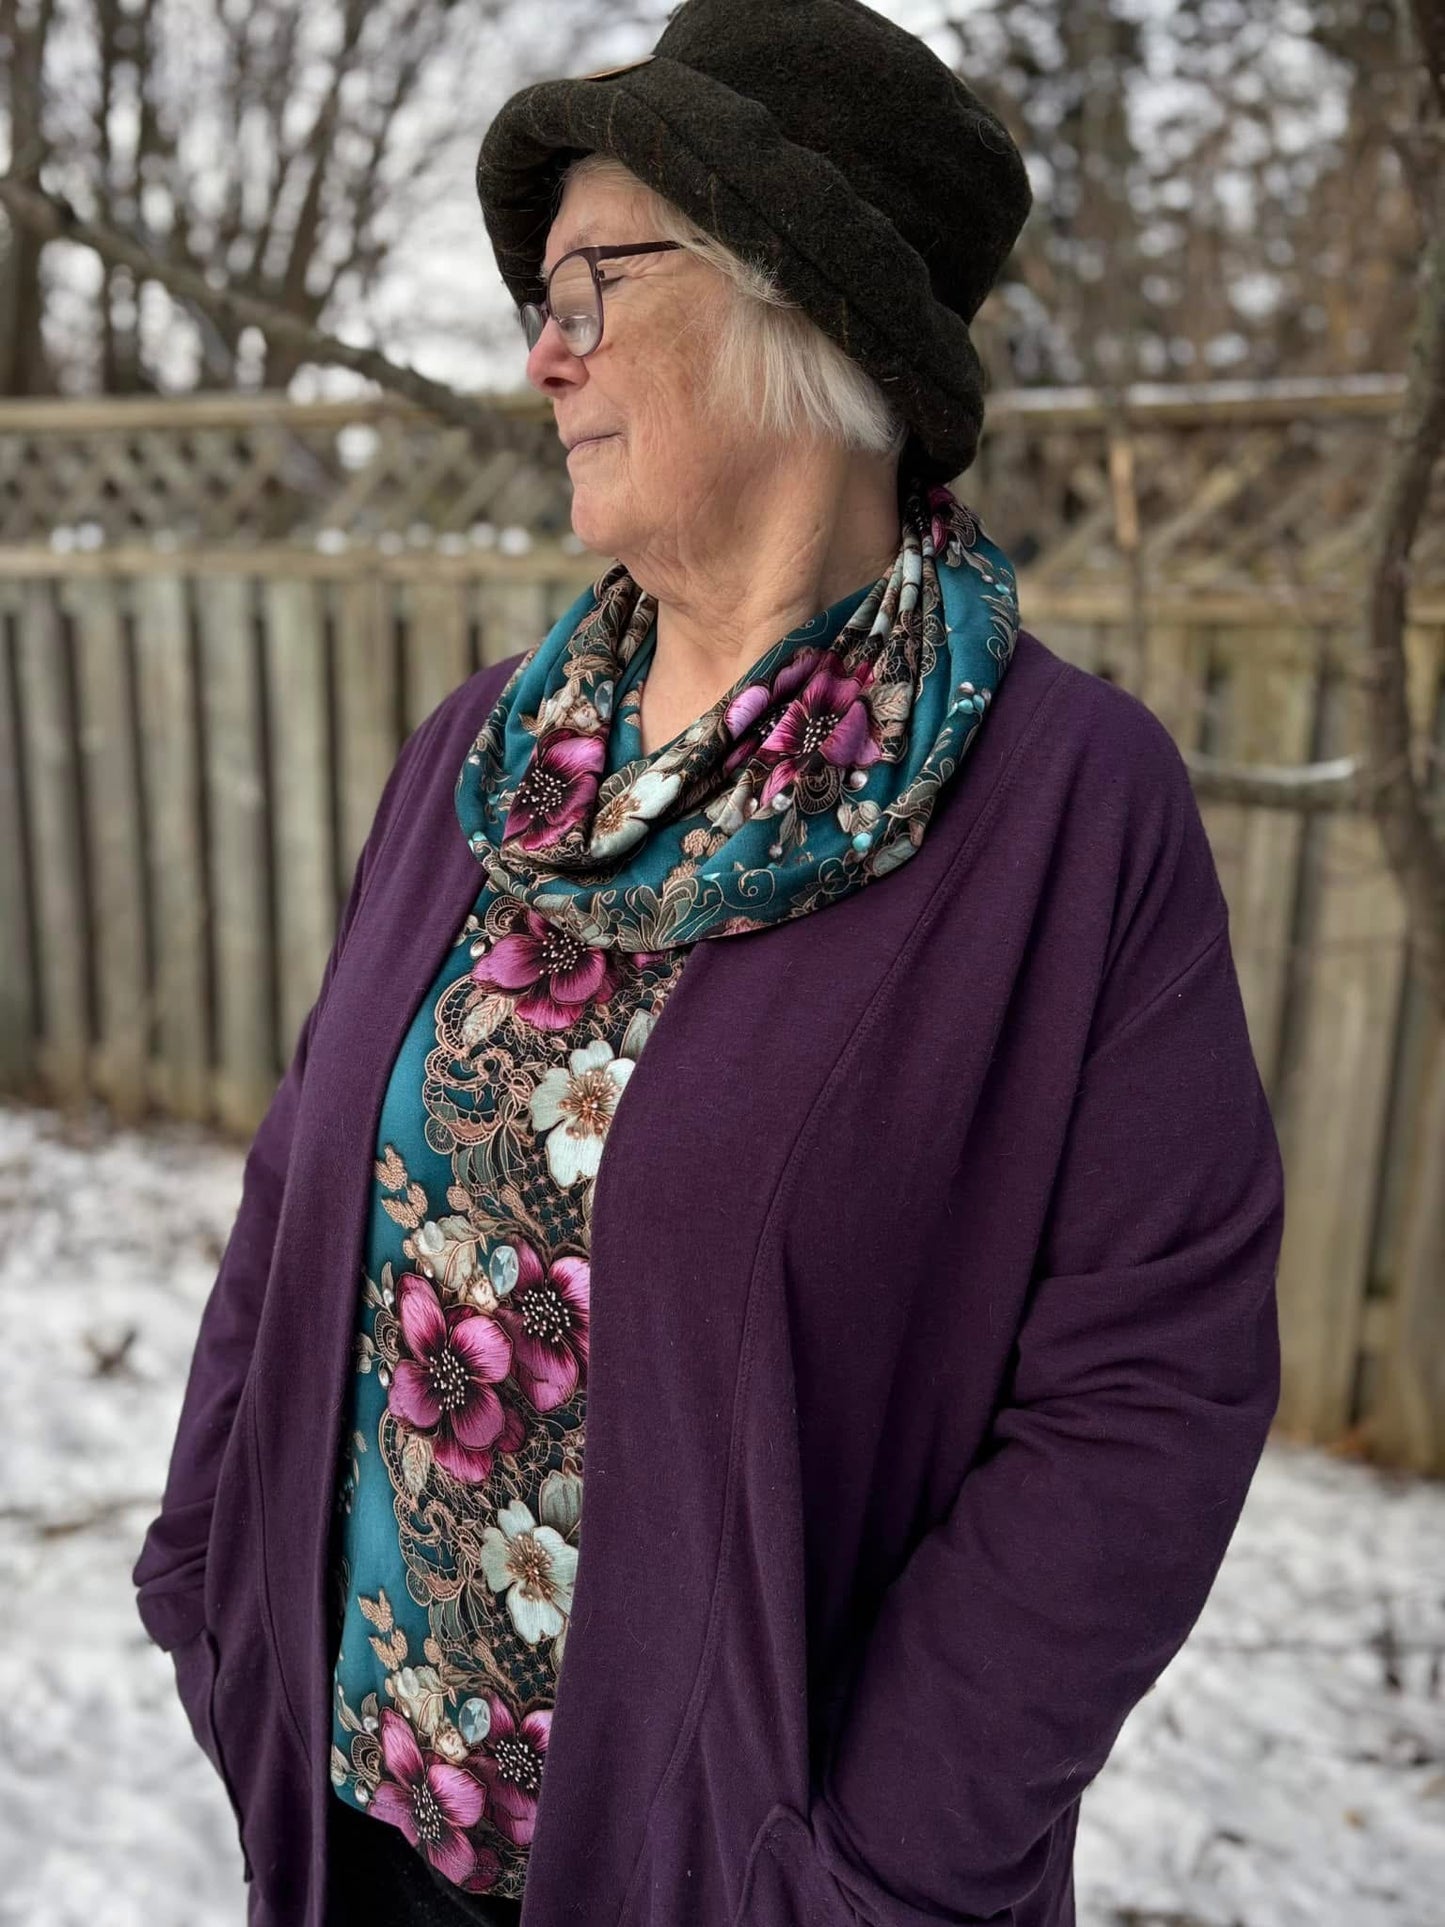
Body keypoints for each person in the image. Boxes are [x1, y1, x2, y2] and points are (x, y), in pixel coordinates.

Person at [133, 3, 1284, 1924]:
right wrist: (209, 1579)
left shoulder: (1063, 811)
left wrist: (872, 1859)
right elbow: (302, 1190)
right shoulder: (488, 759)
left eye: (595, 279)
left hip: (732, 1874)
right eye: (540, 296)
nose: (543, 350)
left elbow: (1146, 1390)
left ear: (798, 302)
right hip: (359, 1810)